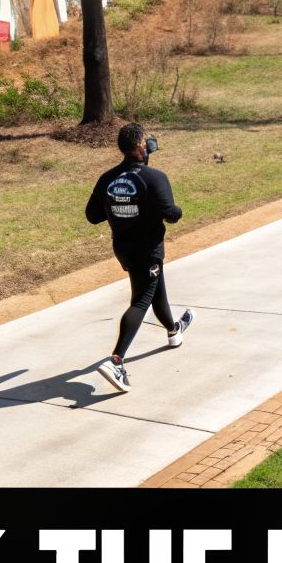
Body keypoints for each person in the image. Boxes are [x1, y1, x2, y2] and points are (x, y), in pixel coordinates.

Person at [85, 122, 193, 392]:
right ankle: (116, 360)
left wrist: (119, 207)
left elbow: (93, 216)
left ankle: (173, 330)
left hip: (124, 248)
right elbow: (172, 213)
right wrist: (170, 210)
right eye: (147, 142)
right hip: (147, 249)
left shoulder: (107, 178)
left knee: (155, 289)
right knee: (142, 299)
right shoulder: (155, 177)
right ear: (141, 147)